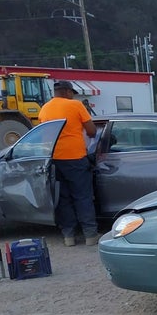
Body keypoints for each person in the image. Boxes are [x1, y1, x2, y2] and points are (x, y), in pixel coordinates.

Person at [38, 80, 99, 246]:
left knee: (63, 198)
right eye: (72, 92)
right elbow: (92, 131)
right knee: (83, 197)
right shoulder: (75, 105)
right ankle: (90, 235)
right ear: (67, 91)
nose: (72, 95)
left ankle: (69, 237)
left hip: (54, 160)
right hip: (75, 158)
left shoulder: (44, 108)